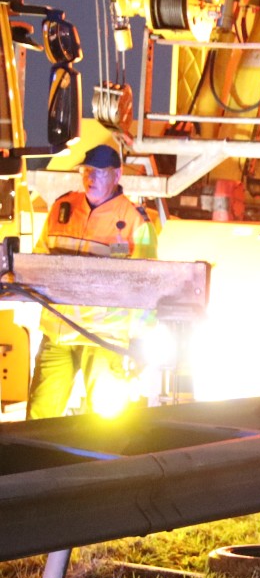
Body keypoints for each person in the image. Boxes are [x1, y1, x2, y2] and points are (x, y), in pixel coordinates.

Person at [27, 143, 158, 420]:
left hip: (104, 338)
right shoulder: (63, 207)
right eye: (86, 171)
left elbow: (147, 288)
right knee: (38, 418)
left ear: (117, 175)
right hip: (58, 332)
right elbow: (39, 262)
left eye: (99, 172)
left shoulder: (136, 222)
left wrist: (139, 341)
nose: (90, 178)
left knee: (104, 423)